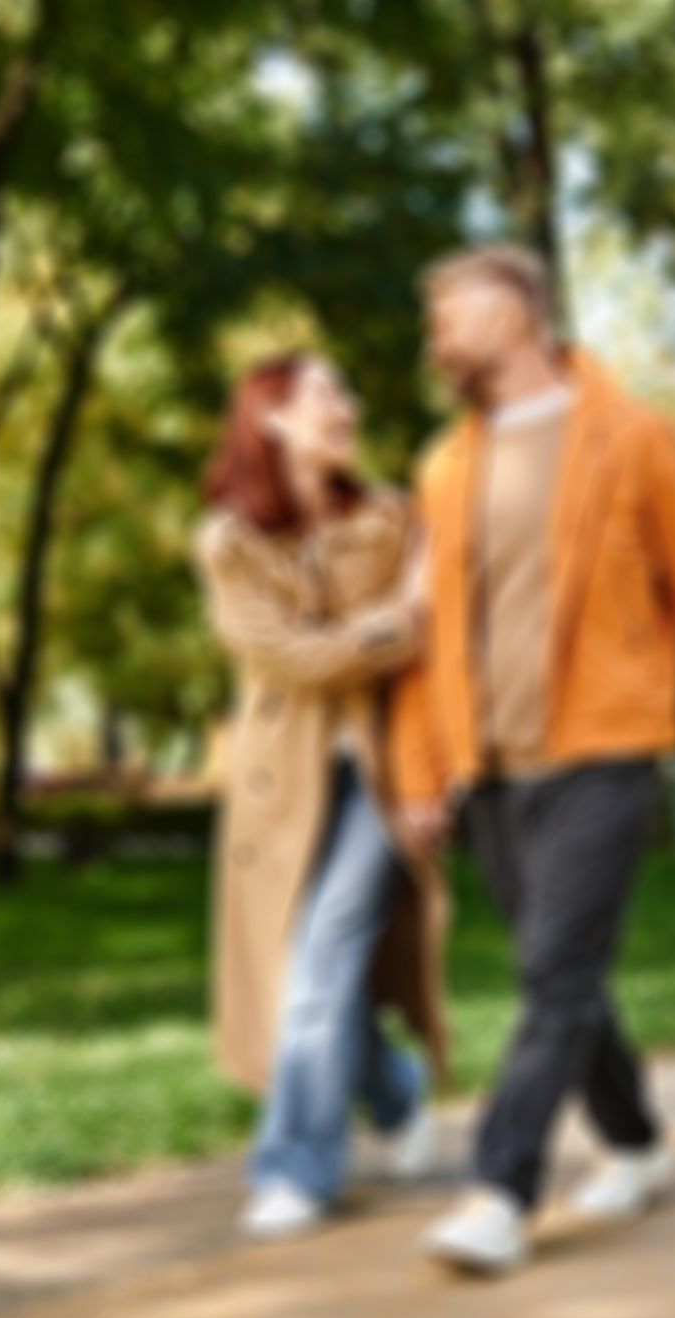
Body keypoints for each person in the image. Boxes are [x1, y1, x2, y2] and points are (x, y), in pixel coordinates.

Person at [390, 243, 675, 1273]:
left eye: (455, 308)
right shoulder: (442, 467)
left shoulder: (632, 436)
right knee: (561, 980)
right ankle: (638, 1139)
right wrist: (417, 768)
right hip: (489, 763)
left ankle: (498, 1190)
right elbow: (424, 636)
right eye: (431, 317)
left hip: (606, 746)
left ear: (521, 310)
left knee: (553, 968)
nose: (438, 329)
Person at [193, 352, 452, 1242]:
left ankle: (297, 1164)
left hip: (380, 774)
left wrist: (391, 636)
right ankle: (396, 1094)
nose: (346, 406)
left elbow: (424, 649)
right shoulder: (228, 543)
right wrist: (399, 621)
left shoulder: (390, 522)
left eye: (347, 390)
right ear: (270, 418)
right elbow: (294, 660)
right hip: (280, 785)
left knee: (325, 951)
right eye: (325, 395)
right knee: (311, 967)